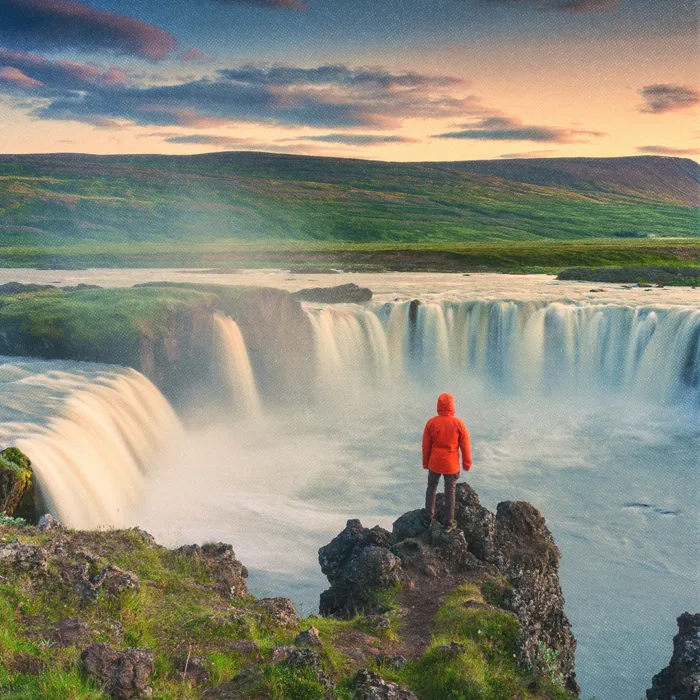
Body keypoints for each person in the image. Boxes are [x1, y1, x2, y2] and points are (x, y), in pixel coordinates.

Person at [422, 392, 472, 533]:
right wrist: (467, 463)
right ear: (452, 406)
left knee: (431, 487)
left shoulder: (431, 422)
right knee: (450, 491)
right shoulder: (458, 423)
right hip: (451, 464)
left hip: (435, 463)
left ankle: (428, 517)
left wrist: (426, 463)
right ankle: (449, 522)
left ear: (438, 405)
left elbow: (426, 446)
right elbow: (465, 445)